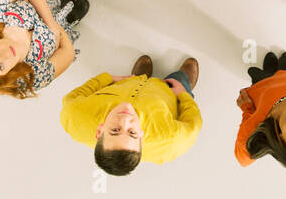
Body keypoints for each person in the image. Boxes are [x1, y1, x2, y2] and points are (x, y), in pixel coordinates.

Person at [59, 54, 202, 176]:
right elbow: (193, 122)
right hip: (167, 91)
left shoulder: (75, 114)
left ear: (99, 131)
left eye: (115, 130)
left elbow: (75, 95)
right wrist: (183, 94)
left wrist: (109, 78)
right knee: (180, 79)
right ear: (141, 135)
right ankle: (182, 80)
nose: (126, 120)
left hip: (128, 82)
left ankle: (140, 78)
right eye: (131, 132)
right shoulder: (171, 140)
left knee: (137, 78)